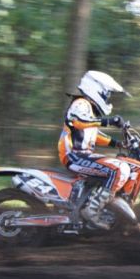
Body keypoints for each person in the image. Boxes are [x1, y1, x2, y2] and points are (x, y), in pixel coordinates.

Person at [58, 70, 130, 229]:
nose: (107, 98)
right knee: (119, 169)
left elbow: (93, 135)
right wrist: (109, 121)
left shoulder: (88, 109)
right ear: (96, 89)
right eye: (106, 94)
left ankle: (99, 206)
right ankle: (92, 210)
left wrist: (116, 143)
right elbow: (79, 122)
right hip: (74, 156)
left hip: (81, 156)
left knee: (117, 165)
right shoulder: (80, 104)